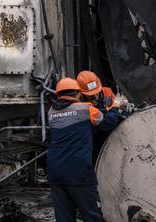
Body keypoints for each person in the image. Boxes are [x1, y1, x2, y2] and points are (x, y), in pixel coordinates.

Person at [47, 77, 111, 222]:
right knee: (92, 215)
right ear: (78, 94)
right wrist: (116, 107)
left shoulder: (51, 113)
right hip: (79, 171)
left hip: (56, 172)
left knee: (64, 218)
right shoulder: (86, 109)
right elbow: (104, 121)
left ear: (58, 95)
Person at [76, 70, 126, 163]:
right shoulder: (79, 105)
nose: (95, 97)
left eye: (97, 92)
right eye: (90, 96)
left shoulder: (107, 92)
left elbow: (116, 112)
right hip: (94, 145)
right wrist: (115, 107)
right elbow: (106, 125)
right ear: (81, 93)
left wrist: (121, 106)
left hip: (113, 139)